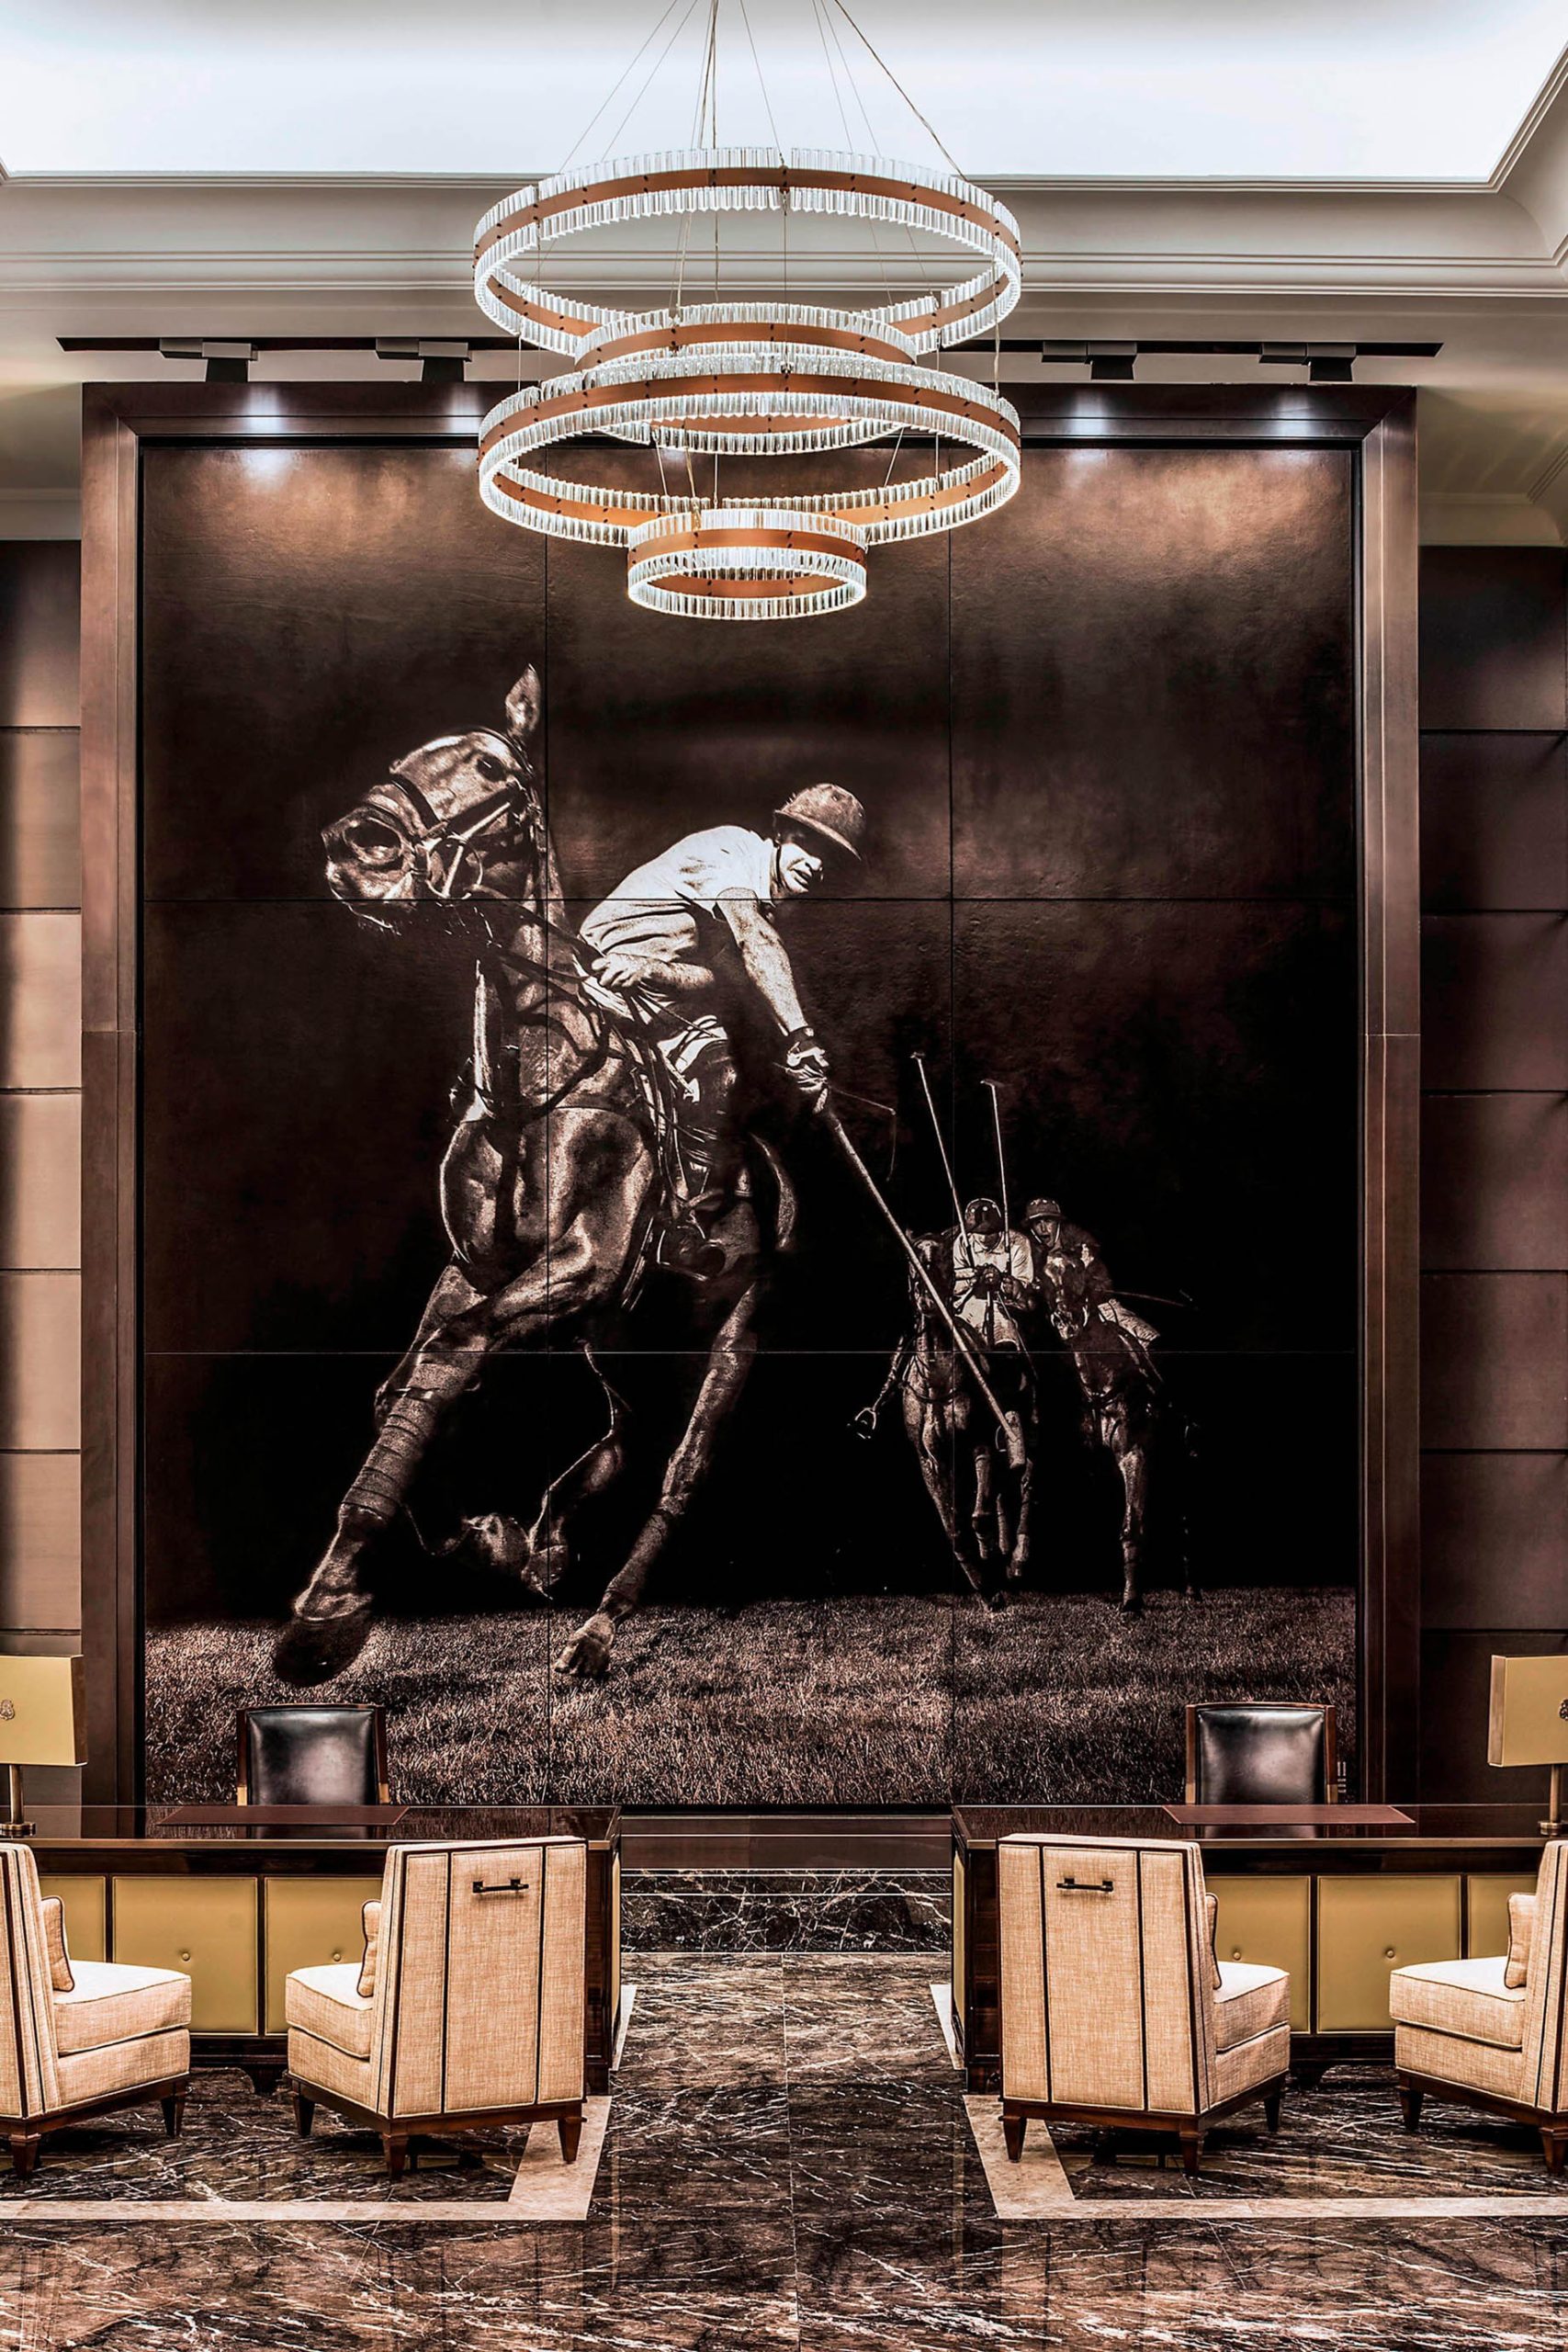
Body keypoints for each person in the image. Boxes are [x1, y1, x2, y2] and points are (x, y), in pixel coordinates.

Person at [577, 784, 866, 1269]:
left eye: (829, 861)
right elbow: (756, 942)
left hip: (656, 995)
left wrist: (653, 970)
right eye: (809, 846)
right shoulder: (730, 851)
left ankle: (682, 1223)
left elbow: (713, 977)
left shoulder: (770, 905)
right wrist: (802, 1039)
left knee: (722, 1075)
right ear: (781, 833)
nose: (816, 866)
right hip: (593, 971)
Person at [1022, 1196, 1159, 1351]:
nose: (1043, 1228)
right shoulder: (1032, 1253)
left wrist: (1085, 1292)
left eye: (1048, 1221)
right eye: (1037, 1223)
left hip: (1098, 1305)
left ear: (1058, 1223)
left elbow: (1103, 1283)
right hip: (1059, 1316)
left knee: (1144, 1337)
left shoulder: (1081, 1245)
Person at [952, 1195, 1033, 1358]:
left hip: (1005, 1304)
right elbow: (955, 1285)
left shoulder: (1018, 1243)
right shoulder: (962, 1242)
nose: (984, 1238)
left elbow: (1024, 1282)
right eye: (978, 1233)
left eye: (990, 1232)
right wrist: (972, 1279)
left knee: (1005, 1336)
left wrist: (1003, 1281)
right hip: (970, 1303)